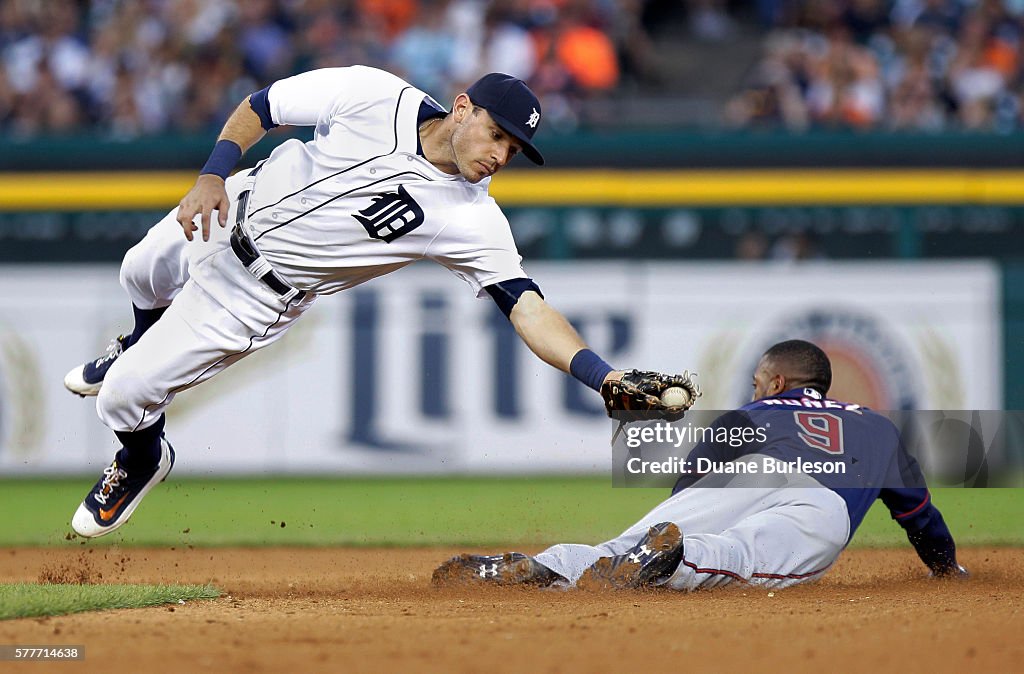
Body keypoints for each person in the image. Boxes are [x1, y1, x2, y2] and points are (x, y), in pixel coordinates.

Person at [63, 67, 642, 538]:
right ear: (462, 108)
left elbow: (529, 308)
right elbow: (264, 106)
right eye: (497, 134)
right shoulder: (376, 95)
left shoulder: (472, 220)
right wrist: (213, 173)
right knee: (137, 272)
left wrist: (603, 376)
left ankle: (141, 458)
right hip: (230, 205)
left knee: (121, 398)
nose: (501, 155)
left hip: (250, 297)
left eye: (514, 150)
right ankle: (136, 342)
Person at [433, 339, 968, 590]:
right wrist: (946, 568)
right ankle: (676, 556)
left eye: (759, 381)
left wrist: (678, 515)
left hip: (743, 474)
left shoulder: (750, 412)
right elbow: (920, 518)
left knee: (617, 552)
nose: (755, 387)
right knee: (739, 556)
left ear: (777, 384)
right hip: (821, 501)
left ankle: (550, 565)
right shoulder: (877, 427)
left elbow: (694, 477)